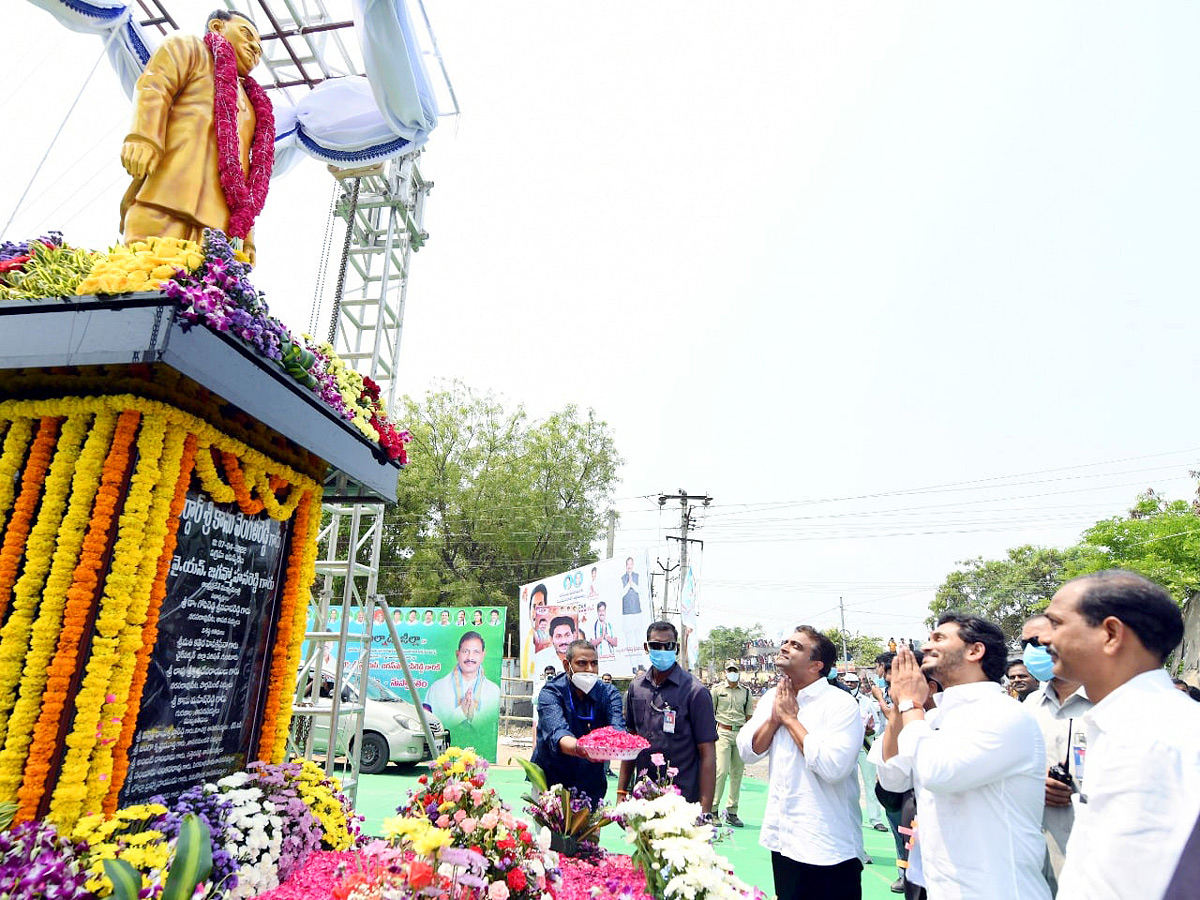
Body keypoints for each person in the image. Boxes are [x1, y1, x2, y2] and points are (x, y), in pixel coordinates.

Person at [1044, 570, 1200, 900]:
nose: (1045, 639)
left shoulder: (1150, 737)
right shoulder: (1128, 724)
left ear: (1111, 633)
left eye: (1056, 624)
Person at [881, 613, 1050, 900]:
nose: (926, 646)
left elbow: (937, 772)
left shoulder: (1002, 713)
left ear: (975, 650)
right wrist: (901, 707)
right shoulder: (933, 715)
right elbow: (892, 780)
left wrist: (910, 703)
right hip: (941, 887)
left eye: (939, 638)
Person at [121, 10, 271, 259]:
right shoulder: (191, 48)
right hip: (163, 200)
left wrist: (246, 235)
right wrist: (143, 137)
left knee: (207, 293)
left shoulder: (255, 107)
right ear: (217, 27)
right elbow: (156, 85)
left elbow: (246, 176)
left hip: (218, 230)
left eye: (259, 46)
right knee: (143, 277)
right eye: (246, 35)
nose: (255, 47)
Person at [737, 626, 866, 899]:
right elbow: (748, 752)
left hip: (829, 845)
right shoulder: (774, 698)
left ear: (816, 665)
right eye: (785, 641)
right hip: (784, 839)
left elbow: (834, 768)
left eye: (796, 646)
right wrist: (775, 718)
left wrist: (791, 721)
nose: (784, 647)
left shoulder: (840, 704)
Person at [1019, 613, 1092, 896]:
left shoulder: (1106, 701)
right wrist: (1037, 786)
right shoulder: (1030, 706)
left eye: (1037, 641)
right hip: (1038, 846)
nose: (1031, 650)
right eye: (1026, 643)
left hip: (1091, 847)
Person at [618, 621, 717, 811]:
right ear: (646, 648)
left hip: (682, 800)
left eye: (668, 646)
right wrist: (622, 792)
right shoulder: (636, 688)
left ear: (677, 648)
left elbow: (708, 753)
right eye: (656, 646)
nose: (662, 650)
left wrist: (704, 811)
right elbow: (630, 743)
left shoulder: (695, 692)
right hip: (643, 797)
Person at [532, 640, 625, 806]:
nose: (589, 669)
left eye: (594, 663)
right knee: (550, 833)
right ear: (567, 665)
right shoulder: (550, 692)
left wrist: (619, 742)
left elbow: (618, 730)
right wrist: (583, 748)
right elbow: (558, 733)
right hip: (551, 781)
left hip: (591, 782)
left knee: (589, 832)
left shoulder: (609, 693)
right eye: (582, 663)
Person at [425, 631, 501, 749]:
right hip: (445, 752)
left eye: (476, 652)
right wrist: (461, 712)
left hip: (482, 750)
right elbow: (432, 726)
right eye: (465, 651)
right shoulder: (437, 688)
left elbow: (490, 727)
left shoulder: (494, 691)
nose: (470, 658)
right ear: (457, 654)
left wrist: (472, 715)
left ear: (483, 655)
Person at [711, 660, 754, 827]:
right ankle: (713, 809)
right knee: (721, 772)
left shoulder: (746, 692)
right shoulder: (717, 690)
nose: (732, 672)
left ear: (739, 672)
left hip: (740, 732)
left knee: (737, 774)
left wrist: (749, 736)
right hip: (722, 731)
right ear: (725, 672)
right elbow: (710, 712)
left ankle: (732, 811)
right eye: (729, 670)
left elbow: (749, 715)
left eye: (735, 670)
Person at [845, 671, 887, 833]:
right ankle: (850, 819)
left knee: (871, 784)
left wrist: (871, 731)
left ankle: (876, 819)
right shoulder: (841, 701)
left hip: (865, 747)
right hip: (848, 747)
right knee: (849, 785)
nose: (849, 686)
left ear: (858, 684)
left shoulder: (867, 702)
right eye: (847, 683)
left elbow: (877, 724)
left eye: (852, 683)